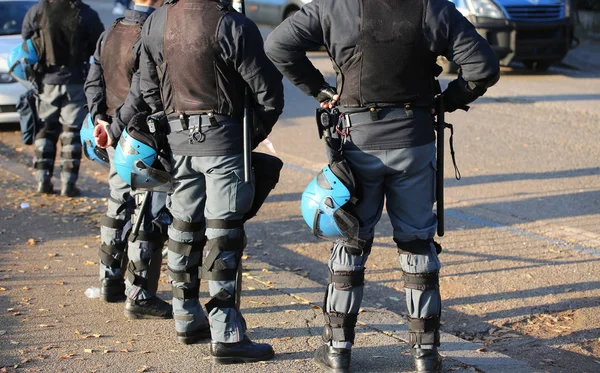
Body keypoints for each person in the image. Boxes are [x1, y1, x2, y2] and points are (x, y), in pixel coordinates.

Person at [265, 1, 500, 372]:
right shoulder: (431, 7)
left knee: (351, 242)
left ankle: (337, 350)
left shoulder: (332, 5)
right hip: (414, 139)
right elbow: (484, 67)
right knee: (417, 241)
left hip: (356, 145)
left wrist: (321, 91)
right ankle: (424, 355)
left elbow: (278, 45)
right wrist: (447, 101)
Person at [137, 0, 284, 363]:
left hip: (178, 141)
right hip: (224, 143)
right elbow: (268, 90)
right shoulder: (231, 24)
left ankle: (187, 320)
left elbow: (147, 86)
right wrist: (247, 137)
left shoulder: (157, 21)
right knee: (224, 237)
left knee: (183, 231)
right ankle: (227, 336)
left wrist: (170, 126)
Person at [84, 0, 173, 320]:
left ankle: (109, 280)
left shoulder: (111, 32)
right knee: (148, 212)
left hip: (110, 132)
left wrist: (100, 120)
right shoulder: (153, 34)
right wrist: (117, 126)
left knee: (117, 203)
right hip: (142, 138)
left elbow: (93, 79)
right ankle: (140, 293)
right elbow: (142, 91)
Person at [22, 0, 104, 197]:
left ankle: (42, 180)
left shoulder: (37, 10)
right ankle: (68, 184)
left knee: (45, 130)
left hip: (46, 81)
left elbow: (26, 42)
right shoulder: (86, 13)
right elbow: (100, 45)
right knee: (72, 133)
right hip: (75, 80)